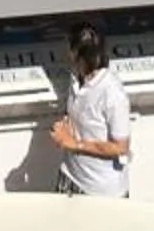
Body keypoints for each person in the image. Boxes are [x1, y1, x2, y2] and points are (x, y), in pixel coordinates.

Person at [51, 21, 132, 197]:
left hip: (101, 190)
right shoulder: (75, 77)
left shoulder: (112, 93)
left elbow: (120, 147)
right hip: (70, 175)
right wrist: (64, 125)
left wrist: (74, 144)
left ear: (77, 54)